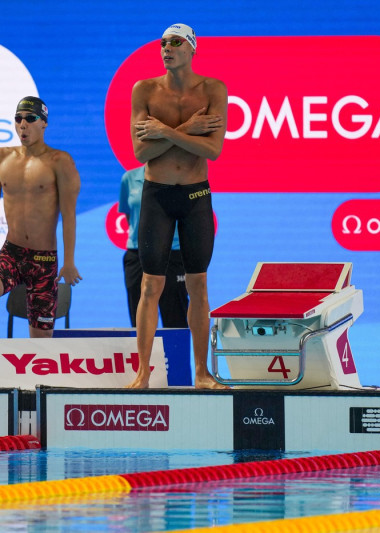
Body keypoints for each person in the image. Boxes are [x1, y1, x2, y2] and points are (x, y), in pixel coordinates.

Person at [0, 96, 82, 386]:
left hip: (44, 259)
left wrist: (69, 261)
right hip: (11, 252)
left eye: (31, 118)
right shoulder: (1, 157)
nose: (23, 124)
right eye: (19, 118)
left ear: (44, 123)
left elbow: (69, 215)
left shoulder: (60, 162)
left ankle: (38, 390)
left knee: (40, 339)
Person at [127, 23, 228, 389]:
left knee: (198, 285)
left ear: (192, 49)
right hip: (157, 197)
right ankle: (143, 373)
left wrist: (166, 131)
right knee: (150, 287)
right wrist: (189, 129)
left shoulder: (213, 89)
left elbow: (213, 151)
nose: (166, 48)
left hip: (195, 197)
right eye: (162, 43)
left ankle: (201, 373)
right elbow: (141, 152)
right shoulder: (145, 90)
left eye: (175, 43)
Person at [119, 165, 189, 328]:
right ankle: (143, 354)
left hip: (173, 253)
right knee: (138, 320)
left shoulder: (183, 177)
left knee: (175, 319)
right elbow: (130, 215)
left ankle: (175, 354)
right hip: (137, 254)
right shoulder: (129, 178)